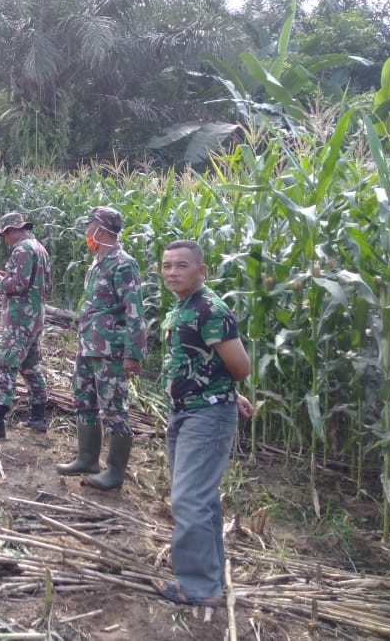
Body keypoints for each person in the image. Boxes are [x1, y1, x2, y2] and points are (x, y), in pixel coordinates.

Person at [152, 240, 255, 607]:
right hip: (187, 410)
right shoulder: (185, 306)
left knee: (189, 500)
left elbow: (241, 367)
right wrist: (232, 393)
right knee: (201, 499)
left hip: (205, 415)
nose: (172, 272)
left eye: (182, 266)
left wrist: (228, 393)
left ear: (201, 270)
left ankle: (199, 588)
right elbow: (208, 361)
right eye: (166, 266)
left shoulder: (210, 309)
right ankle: (209, 581)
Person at [58, 207, 146, 490]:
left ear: (103, 230)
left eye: (90, 227)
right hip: (88, 345)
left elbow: (134, 312)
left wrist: (133, 353)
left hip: (110, 350)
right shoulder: (97, 262)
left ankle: (115, 472)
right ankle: (87, 458)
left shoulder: (123, 264)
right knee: (84, 400)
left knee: (113, 408)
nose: (87, 233)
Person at [0, 212, 51, 438]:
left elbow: (18, 284)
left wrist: (0, 281)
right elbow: (38, 281)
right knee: (30, 365)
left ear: (11, 231)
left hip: (20, 318)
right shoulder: (39, 249)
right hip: (35, 315)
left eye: (4, 235)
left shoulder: (22, 250)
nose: (4, 240)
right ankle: (38, 415)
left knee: (7, 366)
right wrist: (10, 277)